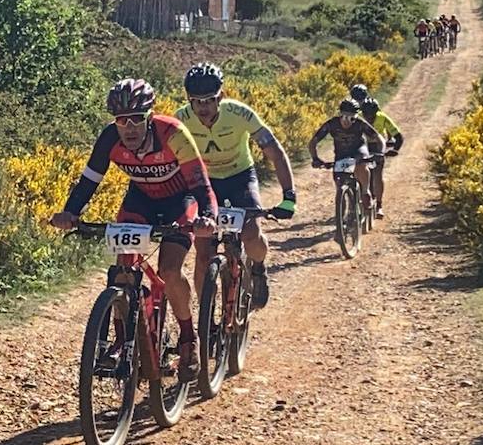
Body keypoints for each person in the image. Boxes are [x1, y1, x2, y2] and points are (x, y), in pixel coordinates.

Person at [49, 79, 217, 382]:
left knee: (169, 269)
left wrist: (207, 217)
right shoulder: (109, 139)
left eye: (137, 119)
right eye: (122, 120)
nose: (129, 128)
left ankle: (188, 339)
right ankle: (123, 341)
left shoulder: (174, 133)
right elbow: (89, 180)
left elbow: (201, 183)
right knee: (123, 270)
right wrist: (70, 212)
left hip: (181, 201)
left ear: (149, 117)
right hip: (141, 201)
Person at [176, 62, 297, 310]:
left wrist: (288, 196)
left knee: (251, 233)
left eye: (209, 100)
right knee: (203, 250)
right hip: (204, 184)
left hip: (240, 177)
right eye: (196, 101)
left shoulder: (240, 114)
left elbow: (273, 150)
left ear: (221, 96)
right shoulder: (180, 119)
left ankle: (259, 268)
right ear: (188, 99)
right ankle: (206, 315)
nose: (203, 107)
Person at [308, 98, 384, 212]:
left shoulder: (360, 124)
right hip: (341, 155)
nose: (347, 121)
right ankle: (341, 212)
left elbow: (379, 138)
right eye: (344, 117)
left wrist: (381, 153)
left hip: (358, 151)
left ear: (356, 117)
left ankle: (365, 191)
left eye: (351, 118)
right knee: (339, 184)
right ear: (339, 114)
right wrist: (315, 158)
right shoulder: (332, 124)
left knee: (361, 164)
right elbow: (313, 142)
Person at [359, 97, 404, 219]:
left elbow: (398, 136)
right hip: (363, 146)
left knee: (377, 174)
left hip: (378, 146)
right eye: (366, 115)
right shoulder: (358, 117)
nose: (369, 118)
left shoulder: (382, 117)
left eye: (372, 115)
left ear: (376, 112)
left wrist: (395, 150)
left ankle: (379, 205)